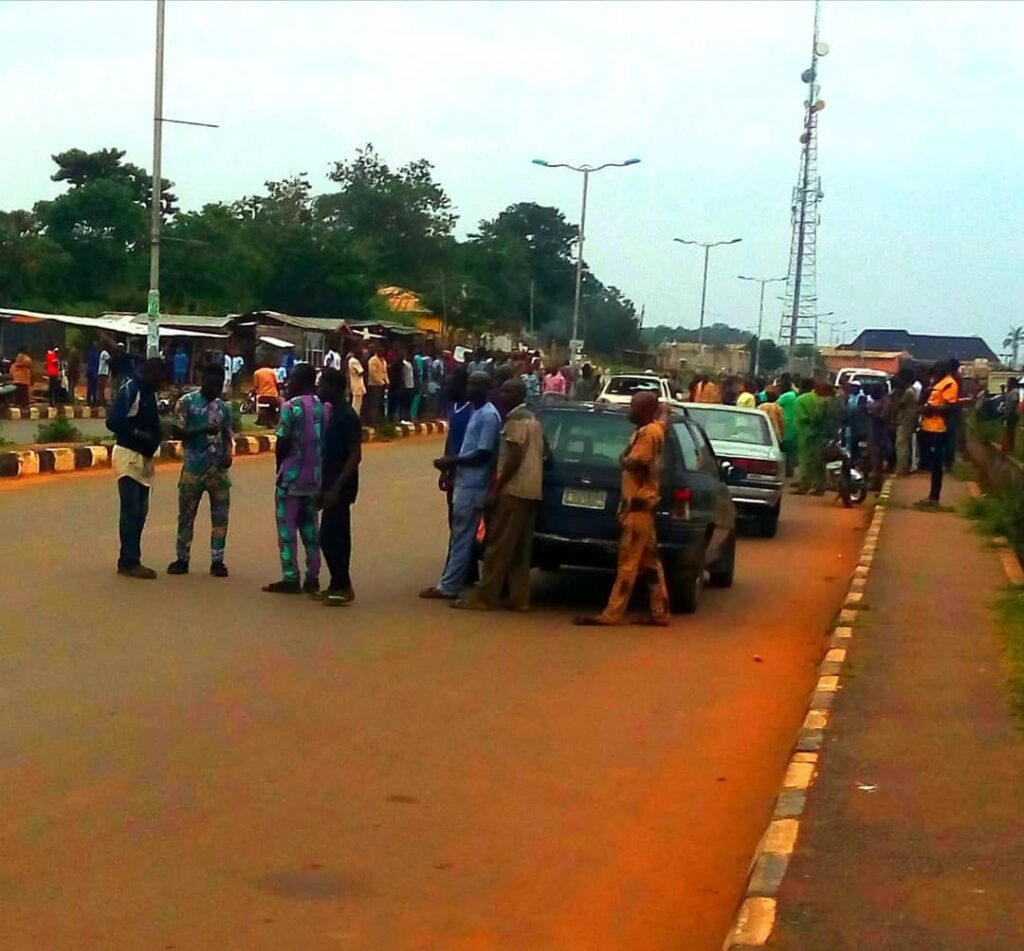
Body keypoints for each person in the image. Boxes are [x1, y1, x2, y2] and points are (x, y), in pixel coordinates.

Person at [575, 391, 670, 627]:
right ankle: (660, 612)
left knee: (628, 564)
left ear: (645, 410)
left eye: (634, 406)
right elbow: (663, 420)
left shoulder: (647, 435)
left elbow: (633, 462)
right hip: (645, 507)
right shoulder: (656, 429)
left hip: (637, 508)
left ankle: (612, 613)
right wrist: (664, 411)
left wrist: (624, 455)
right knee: (650, 565)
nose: (630, 410)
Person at [452, 377, 544, 612]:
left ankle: (485, 597)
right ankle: (519, 598)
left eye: (506, 391)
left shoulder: (515, 420)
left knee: (497, 547)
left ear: (517, 394)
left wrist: (497, 487)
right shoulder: (534, 419)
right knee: (521, 551)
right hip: (532, 491)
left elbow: (513, 456)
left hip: (513, 490)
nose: (502, 395)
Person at [420, 371, 501, 600]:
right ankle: (457, 581)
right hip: (464, 482)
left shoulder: (488, 415)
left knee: (462, 537)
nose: (471, 389)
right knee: (461, 535)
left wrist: (451, 461)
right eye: (470, 385)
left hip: (474, 485)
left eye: (477, 385)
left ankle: (449, 586)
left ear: (487, 388)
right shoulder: (475, 412)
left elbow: (483, 453)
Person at [264, 363, 330, 594]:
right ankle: (313, 576)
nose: (288, 383)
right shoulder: (324, 408)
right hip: (314, 479)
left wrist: (280, 467)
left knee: (287, 531)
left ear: (301, 381)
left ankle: (290, 577)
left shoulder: (290, 408)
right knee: (311, 531)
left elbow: (282, 441)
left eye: (292, 379)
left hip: (291, 479)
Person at [167, 363, 234, 577]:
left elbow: (227, 436)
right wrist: (203, 430)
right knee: (186, 516)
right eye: (212, 383)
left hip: (218, 472)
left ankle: (217, 560)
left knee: (220, 518)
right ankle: (182, 558)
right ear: (202, 379)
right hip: (193, 469)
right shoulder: (186, 403)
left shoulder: (224, 408)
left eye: (219, 384)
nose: (216, 388)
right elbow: (177, 432)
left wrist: (229, 455)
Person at [106, 357, 164, 579]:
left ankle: (131, 557)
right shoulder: (132, 389)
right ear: (151, 374)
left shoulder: (148, 393)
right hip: (128, 455)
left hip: (144, 459)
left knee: (141, 512)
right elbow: (113, 421)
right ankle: (128, 560)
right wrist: (139, 434)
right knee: (131, 511)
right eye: (160, 379)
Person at [315, 368, 362, 606]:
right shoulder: (333, 414)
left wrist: (336, 488)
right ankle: (336, 583)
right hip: (330, 483)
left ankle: (343, 584)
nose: (319, 389)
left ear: (335, 388)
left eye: (322, 385)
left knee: (330, 536)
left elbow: (355, 455)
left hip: (341, 487)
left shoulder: (348, 417)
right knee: (335, 535)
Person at [918, 361, 959, 506]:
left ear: (944, 370)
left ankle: (934, 498)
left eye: (936, 371)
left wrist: (931, 410)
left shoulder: (949, 384)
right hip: (928, 427)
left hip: (938, 428)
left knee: (936, 464)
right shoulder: (938, 384)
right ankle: (931, 496)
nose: (934, 374)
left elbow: (950, 407)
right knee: (932, 463)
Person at [791, 378, 824, 495]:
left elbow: (802, 418)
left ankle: (804, 486)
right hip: (818, 433)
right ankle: (818, 486)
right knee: (817, 461)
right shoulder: (818, 399)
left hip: (804, 434)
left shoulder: (799, 401)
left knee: (804, 461)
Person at [894, 369, 920, 475]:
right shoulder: (912, 390)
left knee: (901, 444)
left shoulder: (908, 392)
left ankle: (901, 468)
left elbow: (900, 404)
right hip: (909, 419)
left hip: (906, 420)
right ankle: (904, 466)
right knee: (906, 443)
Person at [776, 374, 798, 476]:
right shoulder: (794, 395)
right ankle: (790, 469)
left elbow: (775, 405)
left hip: (786, 424)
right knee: (791, 449)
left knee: (785, 448)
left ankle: (787, 470)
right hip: (794, 424)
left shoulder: (785, 396)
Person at [348, 345, 367, 418]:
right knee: (356, 406)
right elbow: (361, 372)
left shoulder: (351, 360)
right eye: (360, 354)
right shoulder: (354, 361)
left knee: (357, 404)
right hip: (357, 386)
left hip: (357, 385)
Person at [1003, 378, 1021, 454]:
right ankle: (1009, 447)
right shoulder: (1010, 392)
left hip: (1012, 415)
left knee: (1011, 431)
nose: (1007, 384)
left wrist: (1010, 413)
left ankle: (1011, 448)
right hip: (1010, 414)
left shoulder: (1014, 392)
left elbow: (1014, 402)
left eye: (1008, 382)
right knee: (1009, 431)